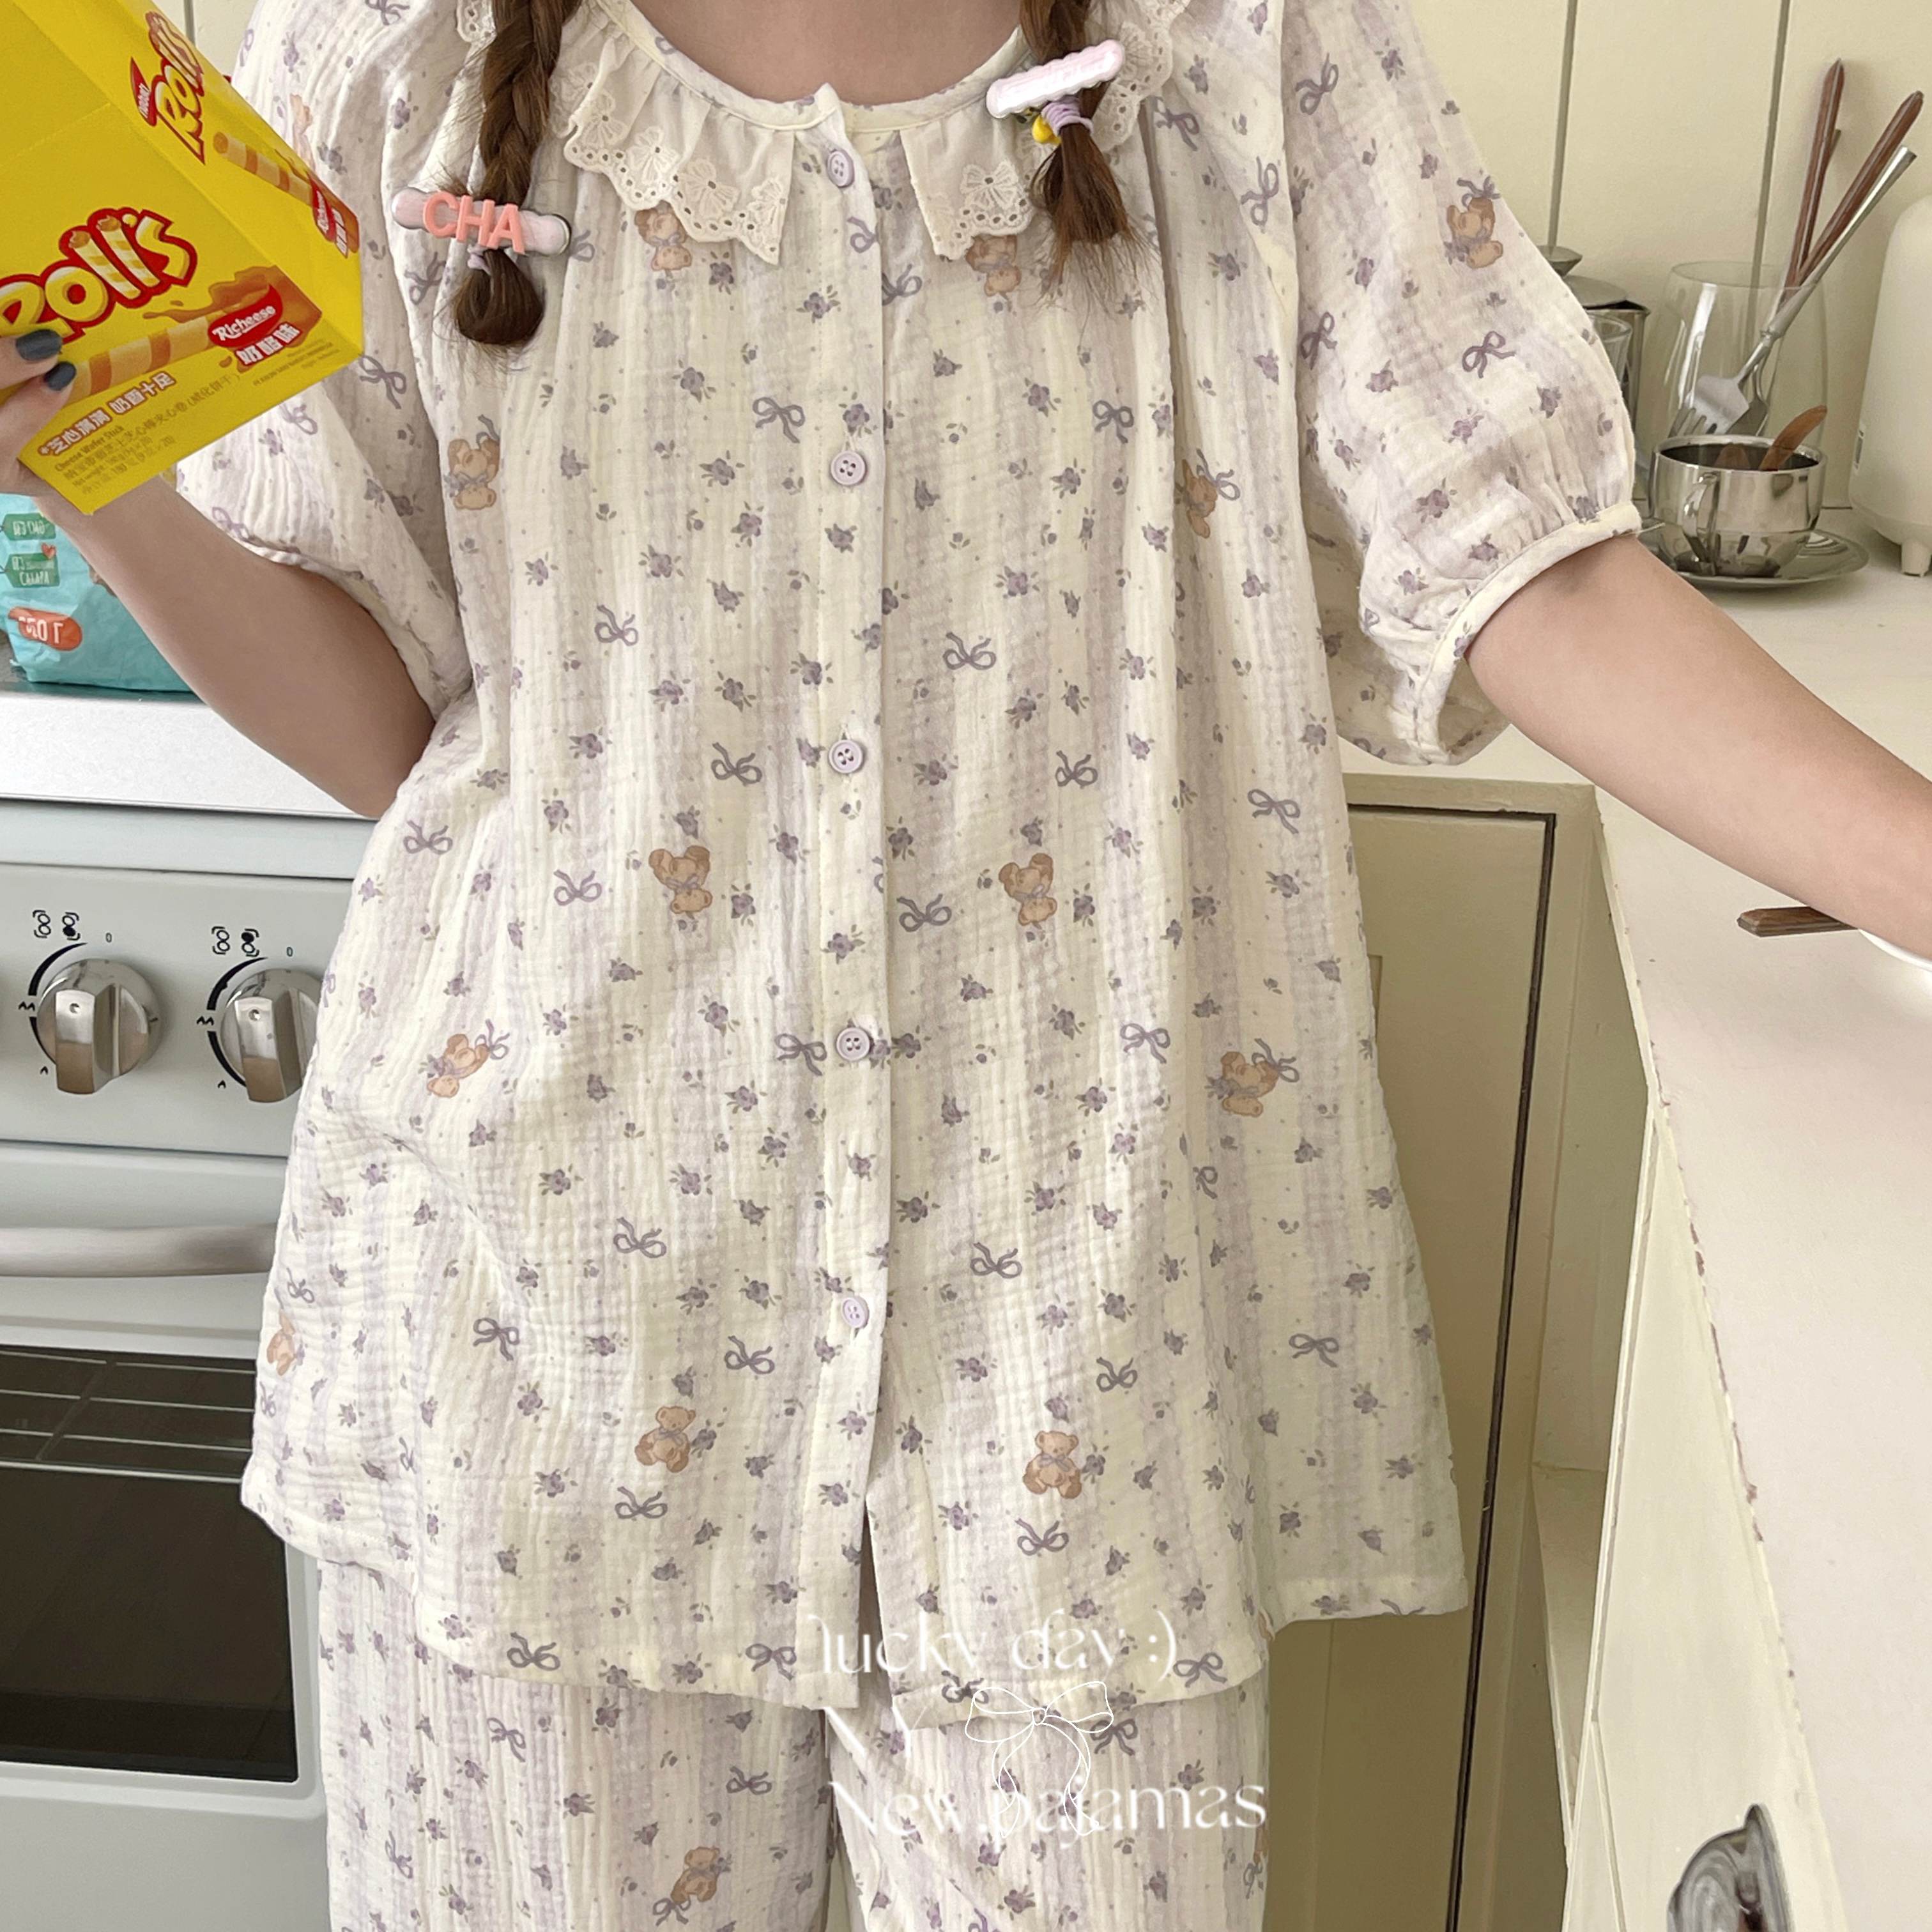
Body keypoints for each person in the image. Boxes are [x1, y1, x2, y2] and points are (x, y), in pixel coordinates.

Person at [6, 0, 1931, 1923]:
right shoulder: (389, 47)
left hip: (1075, 1368)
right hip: (545, 1332)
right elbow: (380, 723)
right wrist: (72, 447)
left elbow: (1528, 560)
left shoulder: (1240, 43)